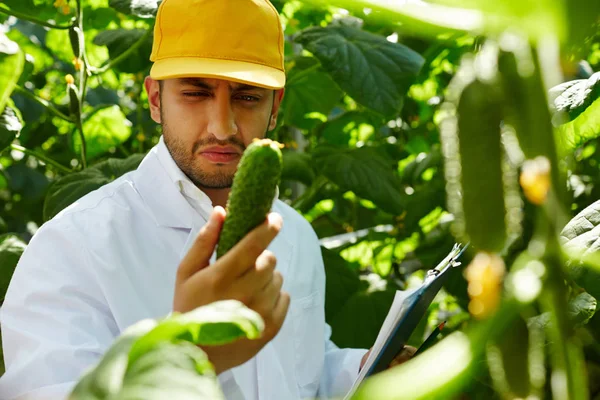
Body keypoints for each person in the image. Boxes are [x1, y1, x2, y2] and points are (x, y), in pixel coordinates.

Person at [0, 1, 414, 399]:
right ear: (156, 99)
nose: (222, 126)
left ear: (275, 108)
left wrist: (363, 371)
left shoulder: (295, 235)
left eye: (247, 97)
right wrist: (189, 355)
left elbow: (304, 372)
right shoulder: (70, 249)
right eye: (196, 93)